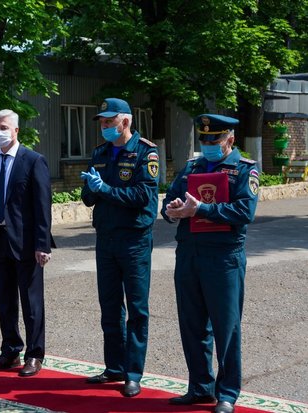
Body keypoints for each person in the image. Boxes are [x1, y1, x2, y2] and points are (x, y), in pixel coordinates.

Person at [161, 114, 259, 413]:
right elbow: (170, 200)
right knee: (192, 324)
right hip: (189, 254)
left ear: (230, 139)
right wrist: (172, 210)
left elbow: (244, 211)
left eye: (214, 140)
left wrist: (202, 209)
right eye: (204, 140)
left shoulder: (245, 169)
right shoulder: (193, 167)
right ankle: (200, 386)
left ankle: (227, 393)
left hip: (223, 256)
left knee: (226, 327)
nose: (208, 145)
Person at [79, 98, 159, 397]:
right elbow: (88, 197)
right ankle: (114, 367)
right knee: (110, 306)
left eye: (109, 121)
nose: (104, 126)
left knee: (137, 309)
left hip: (134, 239)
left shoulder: (146, 152)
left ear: (125, 121)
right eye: (102, 121)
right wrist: (91, 188)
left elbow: (142, 196)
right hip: (106, 238)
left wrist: (105, 190)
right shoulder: (100, 153)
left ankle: (133, 373)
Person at [0, 109, 54, 377]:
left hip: (26, 243)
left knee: (31, 303)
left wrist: (42, 245)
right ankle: (10, 350)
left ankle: (34, 354)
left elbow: (42, 206)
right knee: (4, 300)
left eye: (4, 127)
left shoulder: (33, 160)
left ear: (16, 130)